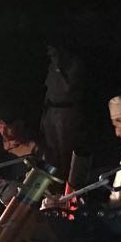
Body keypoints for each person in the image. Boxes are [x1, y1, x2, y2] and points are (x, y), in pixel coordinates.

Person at [39, 45, 85, 176]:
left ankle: (67, 177)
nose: (50, 55)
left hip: (66, 110)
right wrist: (45, 114)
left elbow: (67, 88)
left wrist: (59, 67)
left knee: (65, 148)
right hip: (52, 109)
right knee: (51, 147)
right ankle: (54, 176)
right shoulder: (52, 66)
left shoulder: (74, 64)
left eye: (52, 52)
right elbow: (49, 89)